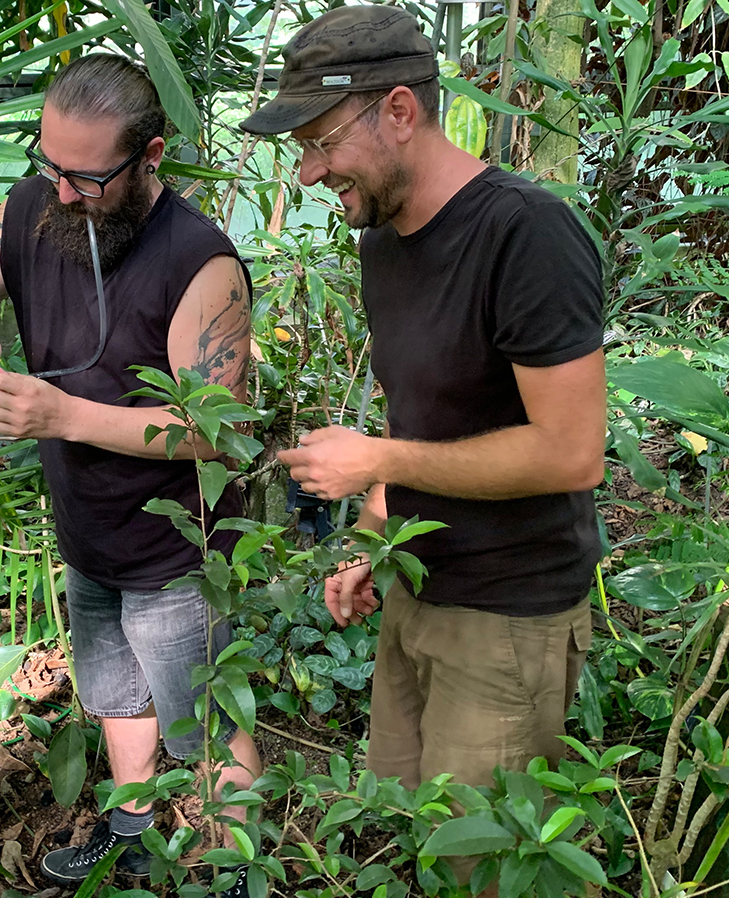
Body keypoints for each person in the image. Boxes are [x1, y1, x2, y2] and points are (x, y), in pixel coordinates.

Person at [0, 53, 262, 898]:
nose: (65, 193)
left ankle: (239, 864)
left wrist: (61, 416)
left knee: (207, 724)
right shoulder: (35, 207)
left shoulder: (200, 263)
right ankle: (137, 829)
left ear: (150, 158)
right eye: (51, 167)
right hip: (90, 530)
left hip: (181, 548)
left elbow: (215, 432)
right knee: (114, 692)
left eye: (88, 178)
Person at [246, 3, 604, 811]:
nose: (308, 173)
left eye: (321, 143)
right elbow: (422, 418)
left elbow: (572, 451)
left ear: (400, 112)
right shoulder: (384, 240)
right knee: (413, 827)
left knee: (481, 865)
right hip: (416, 589)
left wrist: (378, 461)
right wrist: (372, 539)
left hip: (507, 617)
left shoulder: (527, 236)